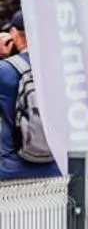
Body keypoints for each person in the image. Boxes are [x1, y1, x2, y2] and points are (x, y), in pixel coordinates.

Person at [0, 11, 61, 180]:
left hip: (11, 171)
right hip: (55, 168)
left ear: (14, 35)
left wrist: (3, 56)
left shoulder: (5, 70)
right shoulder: (60, 69)